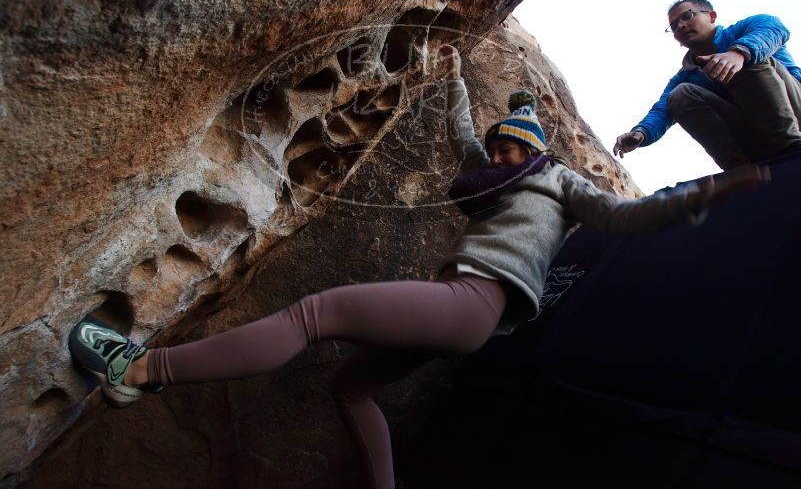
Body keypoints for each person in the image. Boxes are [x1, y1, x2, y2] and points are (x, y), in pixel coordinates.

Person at [68, 45, 768, 489]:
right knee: (350, 389)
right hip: (452, 307)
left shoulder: (558, 184)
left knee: (316, 314)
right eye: (496, 147)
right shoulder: (488, 174)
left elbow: (623, 219)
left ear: (533, 152)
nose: (496, 155)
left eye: (510, 148)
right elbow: (461, 135)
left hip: (472, 303)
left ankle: (138, 372)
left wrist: (705, 194)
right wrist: (455, 75)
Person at [614, 0, 801, 169]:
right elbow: (662, 110)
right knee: (680, 95)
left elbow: (774, 28)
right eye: (674, 25)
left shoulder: (746, 30)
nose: (681, 25)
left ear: (711, 16)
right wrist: (641, 133)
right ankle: (741, 171)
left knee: (737, 61)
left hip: (795, 117)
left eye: (687, 16)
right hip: (756, 141)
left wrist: (739, 53)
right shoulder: (687, 75)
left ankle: (792, 148)